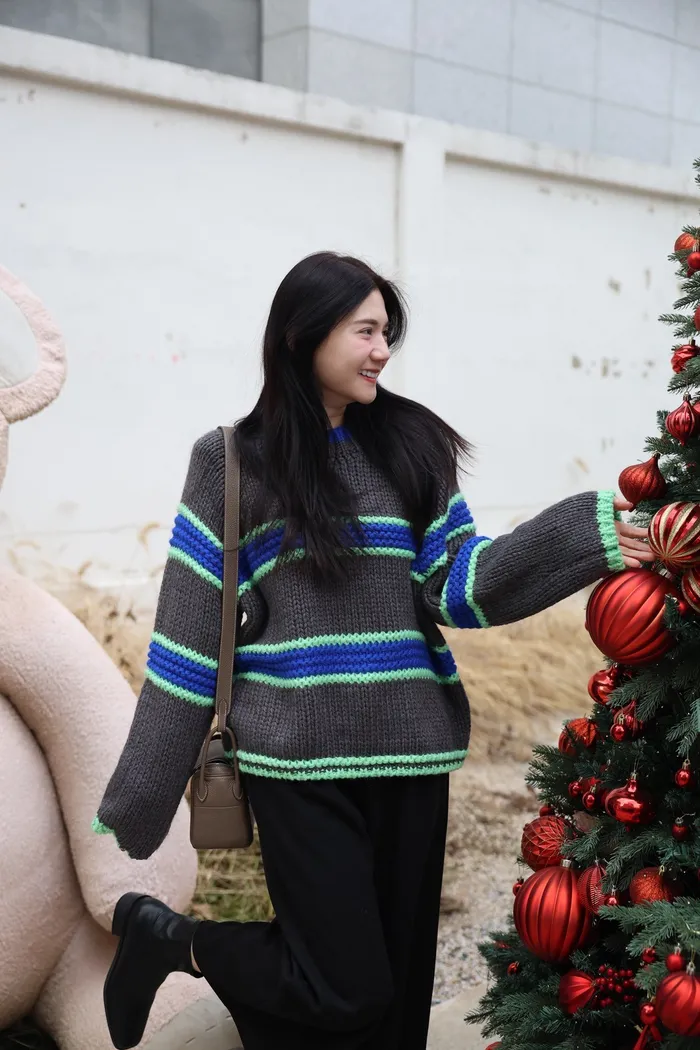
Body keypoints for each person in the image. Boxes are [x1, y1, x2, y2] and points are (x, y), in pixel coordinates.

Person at [93, 252, 652, 1050]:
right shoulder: (231, 462)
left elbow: (459, 584)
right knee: (345, 986)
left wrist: (585, 535)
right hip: (298, 766)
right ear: (302, 335)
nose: (382, 350)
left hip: (412, 756)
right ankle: (175, 942)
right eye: (365, 331)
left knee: (395, 1005)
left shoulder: (411, 445)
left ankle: (181, 951)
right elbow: (188, 640)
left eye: (387, 331)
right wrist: (138, 800)